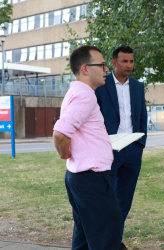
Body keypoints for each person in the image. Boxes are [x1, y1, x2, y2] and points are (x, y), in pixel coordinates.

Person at [53, 45, 121, 250]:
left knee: (83, 238)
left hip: (81, 178)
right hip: (91, 179)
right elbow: (60, 133)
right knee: (105, 238)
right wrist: (65, 154)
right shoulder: (86, 95)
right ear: (85, 69)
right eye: (101, 65)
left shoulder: (76, 92)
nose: (106, 69)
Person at [95, 45, 147, 250]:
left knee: (125, 200)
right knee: (107, 199)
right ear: (114, 62)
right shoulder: (101, 84)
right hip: (109, 149)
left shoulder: (137, 86)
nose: (129, 65)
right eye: (125, 61)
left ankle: (114, 241)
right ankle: (103, 241)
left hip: (133, 150)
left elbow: (142, 115)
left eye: (132, 61)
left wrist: (140, 143)